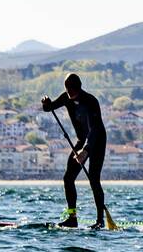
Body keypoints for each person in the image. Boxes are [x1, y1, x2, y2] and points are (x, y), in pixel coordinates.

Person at [42, 73, 108, 229]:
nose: (69, 93)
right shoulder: (66, 97)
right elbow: (49, 108)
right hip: (81, 140)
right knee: (68, 178)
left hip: (97, 141)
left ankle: (100, 220)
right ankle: (72, 218)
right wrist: (46, 103)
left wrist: (85, 150)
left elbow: (94, 129)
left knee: (94, 179)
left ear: (78, 88)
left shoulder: (91, 101)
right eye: (67, 89)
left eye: (72, 90)